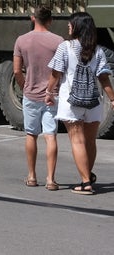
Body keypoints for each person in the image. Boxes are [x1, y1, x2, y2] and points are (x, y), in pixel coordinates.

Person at [45, 11, 114, 195]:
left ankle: (85, 183)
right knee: (90, 141)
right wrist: (113, 99)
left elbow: (56, 73)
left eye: (70, 24)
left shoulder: (65, 47)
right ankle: (87, 175)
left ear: (78, 27)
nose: (68, 26)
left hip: (71, 101)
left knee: (77, 140)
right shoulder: (98, 50)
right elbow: (104, 78)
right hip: (93, 102)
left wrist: (49, 92)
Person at [13, 5, 63, 190]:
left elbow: (17, 70)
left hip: (31, 94)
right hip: (52, 95)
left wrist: (24, 85)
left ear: (33, 18)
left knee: (31, 134)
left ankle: (32, 176)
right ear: (50, 20)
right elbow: (60, 70)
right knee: (50, 136)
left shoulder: (21, 40)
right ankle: (51, 179)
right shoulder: (58, 41)